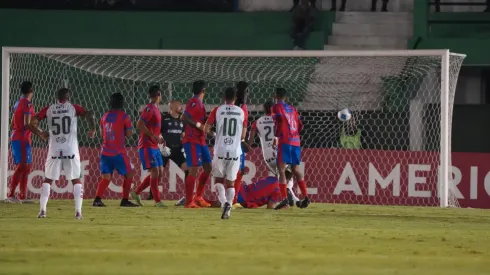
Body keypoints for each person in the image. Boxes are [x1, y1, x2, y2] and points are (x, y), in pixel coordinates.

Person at [30, 88, 96, 219]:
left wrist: (40, 132)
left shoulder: (49, 109)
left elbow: (32, 121)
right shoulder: (73, 108)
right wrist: (93, 128)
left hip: (54, 148)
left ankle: (42, 211)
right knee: (76, 179)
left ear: (57, 97)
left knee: (48, 179)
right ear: (68, 97)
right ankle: (78, 212)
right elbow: (89, 114)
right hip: (71, 149)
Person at [204, 87, 247, 219]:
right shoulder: (241, 111)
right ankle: (229, 204)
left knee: (218, 180)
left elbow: (206, 129)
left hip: (221, 149)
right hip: (235, 151)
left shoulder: (217, 110)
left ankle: (224, 204)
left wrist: (215, 134)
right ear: (235, 98)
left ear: (224, 97)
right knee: (231, 182)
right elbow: (242, 136)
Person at [92, 93, 139, 207]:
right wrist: (130, 129)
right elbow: (129, 134)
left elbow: (101, 133)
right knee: (130, 173)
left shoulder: (104, 116)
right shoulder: (124, 116)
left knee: (106, 178)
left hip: (105, 152)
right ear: (122, 103)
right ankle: (124, 200)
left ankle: (97, 199)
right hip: (118, 152)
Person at [271, 88, 310, 209]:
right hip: (296, 141)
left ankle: (284, 199)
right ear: (286, 98)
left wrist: (276, 137)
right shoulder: (293, 109)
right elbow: (300, 125)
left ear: (275, 96)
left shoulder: (276, 107)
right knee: (295, 169)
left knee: (281, 170)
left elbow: (279, 121)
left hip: (285, 140)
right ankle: (306, 196)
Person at [130, 86, 166, 207]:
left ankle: (136, 192)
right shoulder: (149, 109)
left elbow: (154, 128)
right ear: (158, 95)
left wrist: (160, 137)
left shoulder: (156, 109)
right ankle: (157, 201)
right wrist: (152, 136)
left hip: (154, 145)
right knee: (155, 171)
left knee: (160, 171)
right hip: (146, 145)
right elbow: (139, 124)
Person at [180, 80, 214, 208]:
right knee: (194, 168)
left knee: (208, 167)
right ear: (203, 91)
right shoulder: (194, 101)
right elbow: (185, 117)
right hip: (192, 140)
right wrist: (200, 125)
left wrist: (207, 127)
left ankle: (198, 196)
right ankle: (189, 202)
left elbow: (197, 120)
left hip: (201, 140)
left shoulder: (199, 103)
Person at [147, 100, 187, 204]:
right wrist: (161, 145)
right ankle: (152, 194)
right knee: (158, 172)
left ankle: (187, 196)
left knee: (188, 169)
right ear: (172, 107)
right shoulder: (164, 119)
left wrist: (184, 146)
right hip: (165, 150)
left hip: (177, 150)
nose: (181, 107)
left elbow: (183, 135)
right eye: (179, 105)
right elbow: (157, 132)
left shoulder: (183, 120)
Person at [7, 81, 38, 203]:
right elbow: (26, 123)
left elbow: (11, 123)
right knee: (23, 165)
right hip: (21, 138)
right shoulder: (27, 104)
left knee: (26, 166)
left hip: (19, 137)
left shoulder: (17, 103)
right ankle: (12, 195)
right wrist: (40, 133)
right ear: (31, 91)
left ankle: (22, 196)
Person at [232, 81, 249, 205]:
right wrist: (243, 140)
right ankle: (233, 200)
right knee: (238, 171)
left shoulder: (229, 105)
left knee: (228, 172)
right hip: (238, 142)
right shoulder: (243, 107)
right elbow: (244, 126)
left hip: (226, 141)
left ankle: (227, 198)